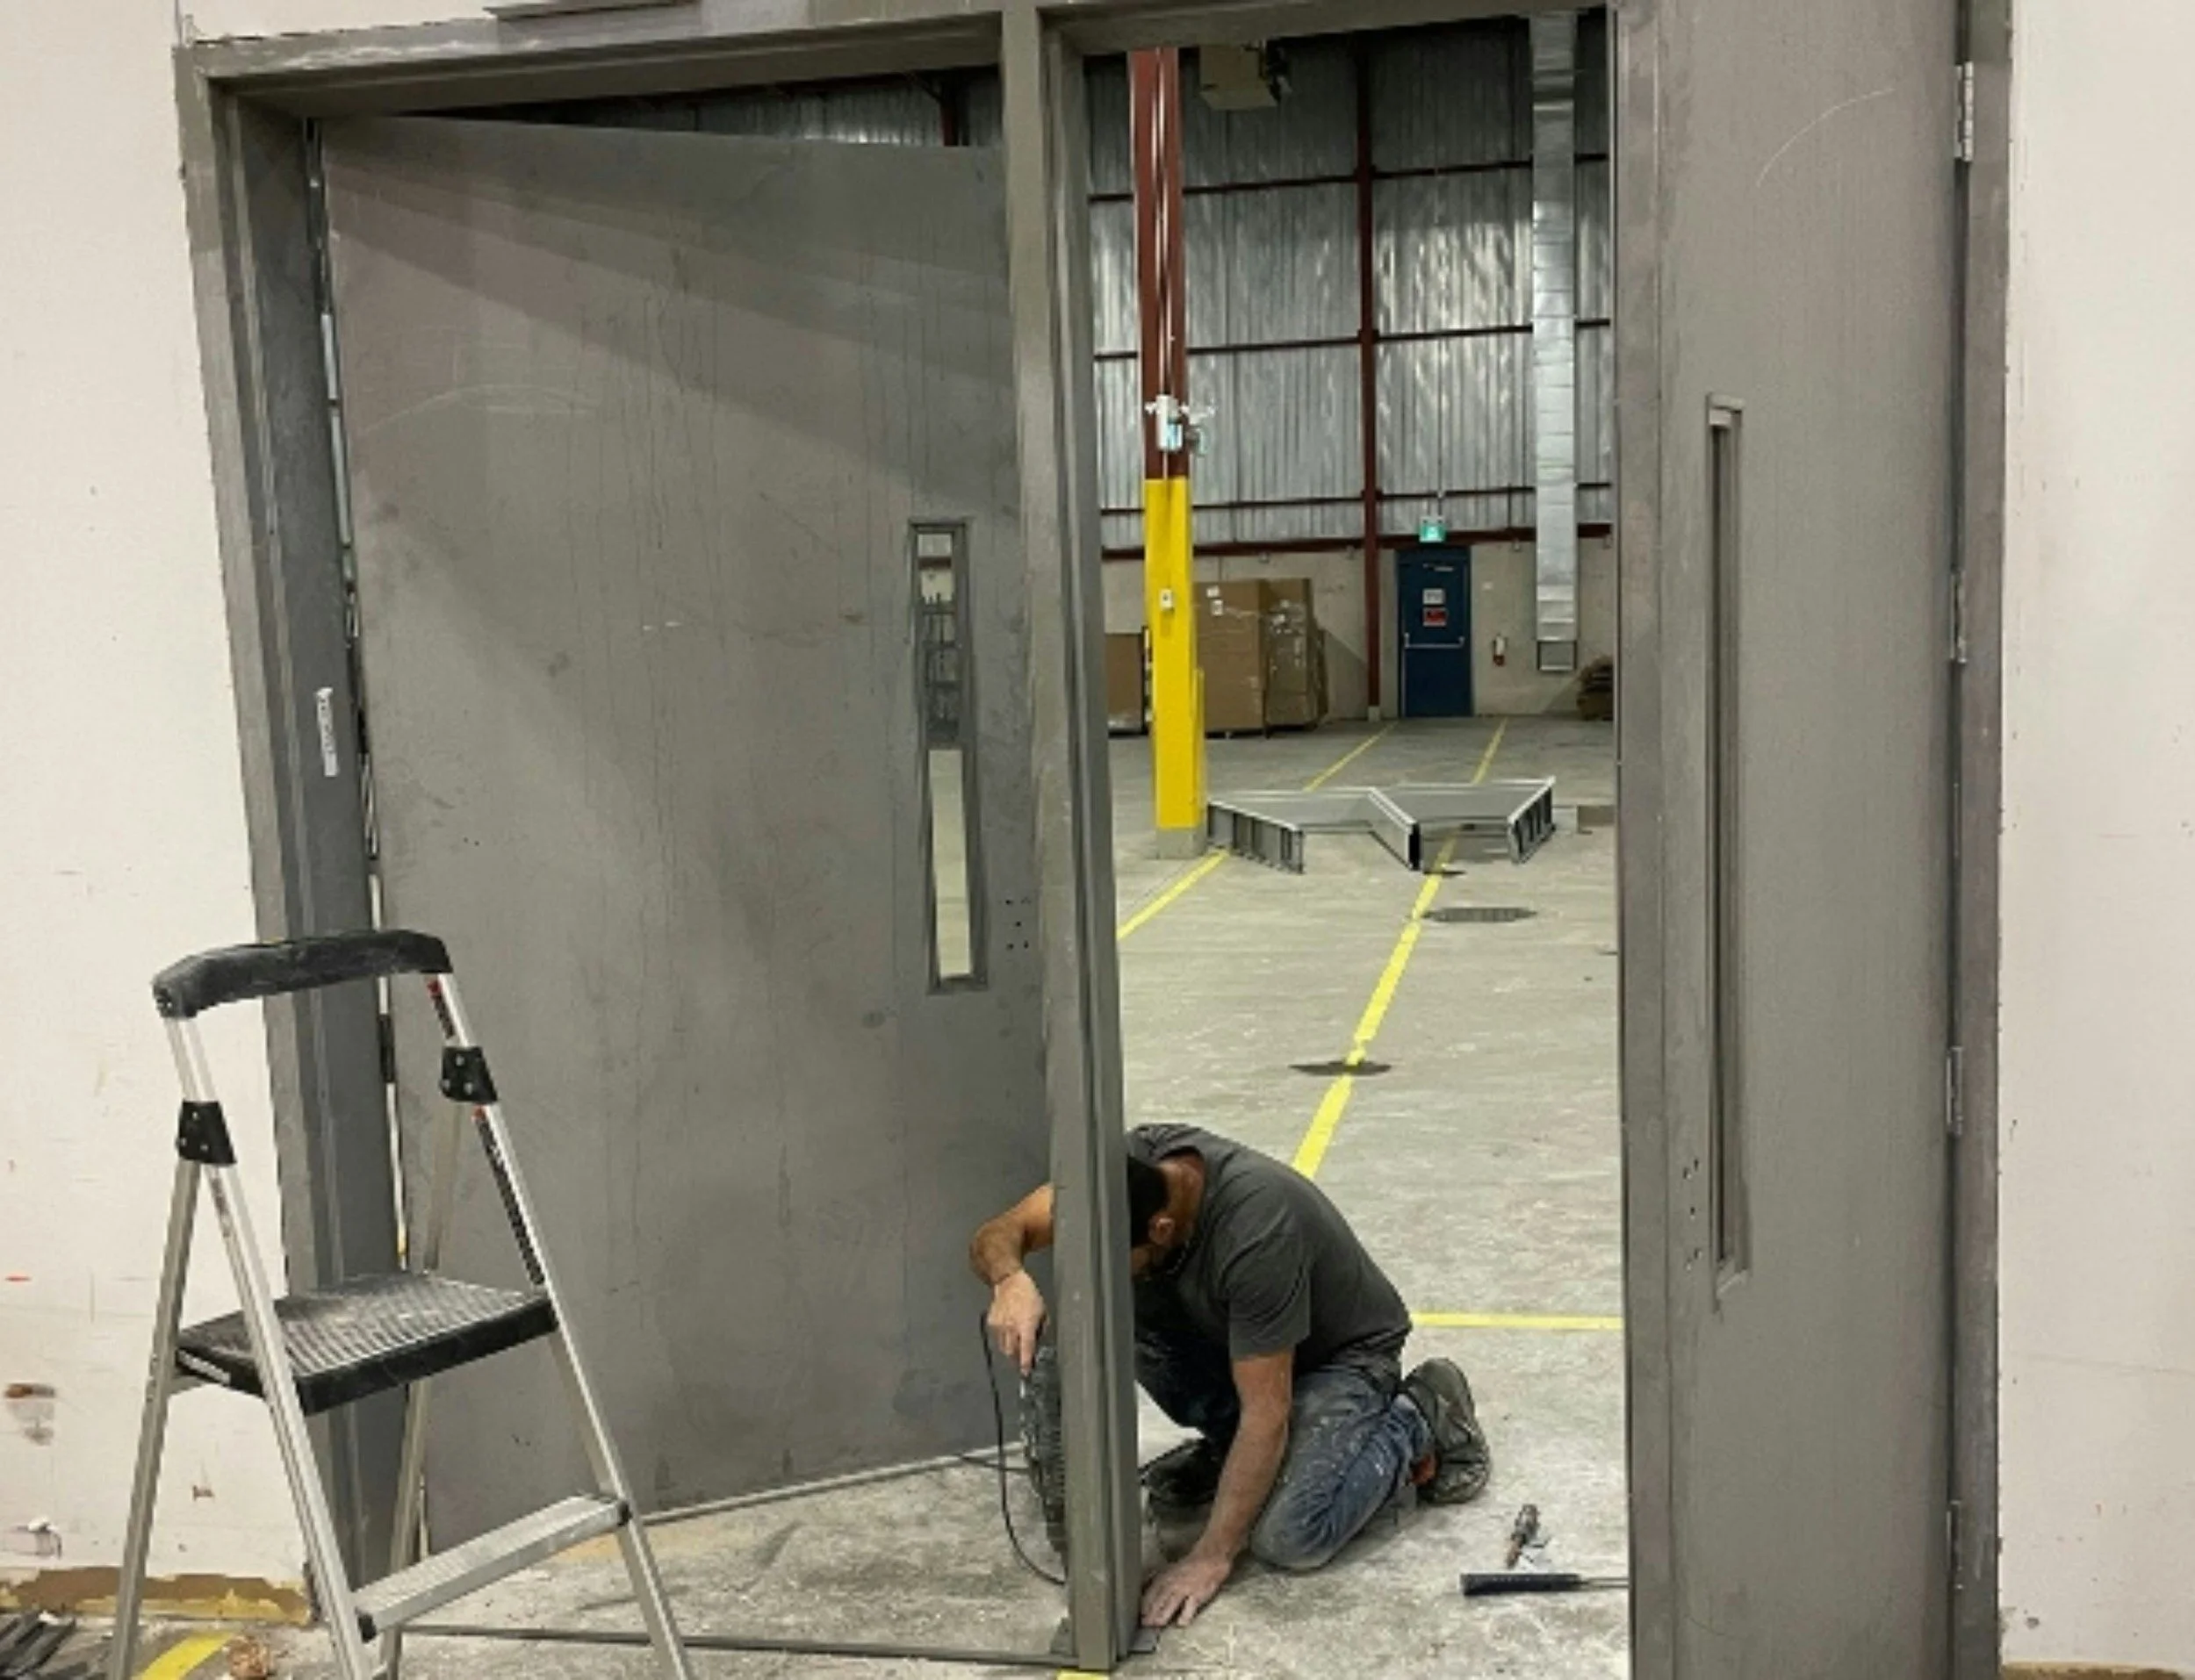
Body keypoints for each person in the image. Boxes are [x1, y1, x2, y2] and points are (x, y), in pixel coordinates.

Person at [969, 1123, 1491, 1628]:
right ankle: (1231, 1447)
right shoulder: (1120, 1175)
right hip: (1236, 1341)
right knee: (1124, 1318)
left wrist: (1210, 1557)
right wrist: (1010, 1279)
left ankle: (1420, 1412)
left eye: (1120, 1261)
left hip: (1336, 1360)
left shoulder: (1257, 1232)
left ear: (1161, 1228)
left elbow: (1268, 1411)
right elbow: (998, 1231)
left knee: (1290, 1538)